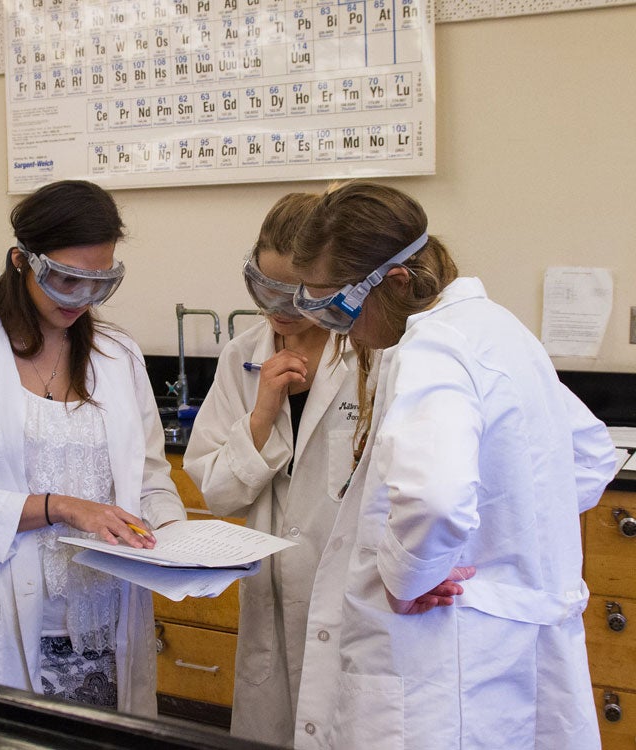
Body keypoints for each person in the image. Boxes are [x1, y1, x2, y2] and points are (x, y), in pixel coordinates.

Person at [288, 181, 616, 750]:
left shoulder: (432, 346)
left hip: (439, 660)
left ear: (391, 282)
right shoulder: (498, 330)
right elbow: (589, 455)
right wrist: (503, 539)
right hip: (498, 648)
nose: (334, 327)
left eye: (334, 304)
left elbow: (435, 497)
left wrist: (410, 576)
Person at [0, 180, 186, 715]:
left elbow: (151, 478)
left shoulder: (117, 355)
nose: (81, 300)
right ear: (21, 262)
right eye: (65, 280)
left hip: (108, 618)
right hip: (8, 620)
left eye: (98, 284)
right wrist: (59, 507)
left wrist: (173, 542)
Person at [182, 193, 360, 747]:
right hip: (272, 603)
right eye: (264, 288)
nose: (278, 308)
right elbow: (214, 490)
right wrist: (261, 413)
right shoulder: (242, 355)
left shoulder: (370, 352)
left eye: (297, 293)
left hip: (349, 604)